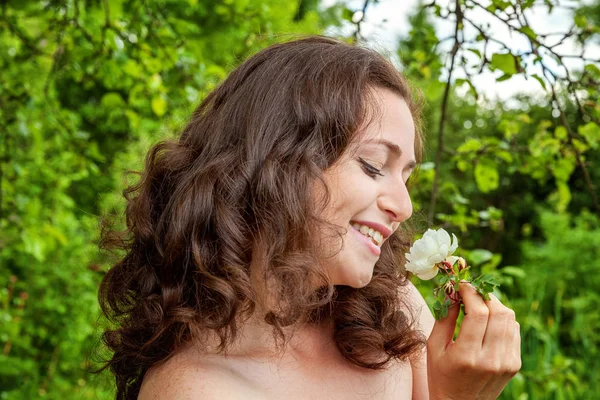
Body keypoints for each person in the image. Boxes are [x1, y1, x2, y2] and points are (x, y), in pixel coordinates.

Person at [99, 36, 521, 400]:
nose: (404, 206)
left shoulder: (392, 305)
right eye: (373, 165)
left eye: (406, 177)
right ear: (276, 161)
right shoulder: (196, 387)